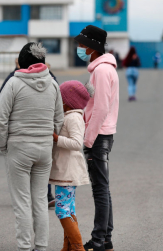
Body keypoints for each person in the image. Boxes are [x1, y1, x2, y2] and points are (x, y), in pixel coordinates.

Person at [0, 42, 64, 251]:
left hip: (19, 148)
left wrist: (3, 145)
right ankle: (41, 247)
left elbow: (0, 119)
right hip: (44, 149)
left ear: (22, 62)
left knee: (22, 202)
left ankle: (24, 247)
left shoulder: (14, 84)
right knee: (41, 200)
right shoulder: (53, 84)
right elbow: (59, 119)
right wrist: (49, 140)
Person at [74, 25, 119, 251]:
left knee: (100, 189)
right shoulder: (103, 69)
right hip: (104, 133)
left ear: (92, 47)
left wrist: (88, 139)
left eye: (82, 45)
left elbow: (100, 108)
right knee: (103, 188)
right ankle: (106, 238)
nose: (80, 48)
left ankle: (99, 239)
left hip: (98, 135)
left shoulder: (101, 71)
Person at [0, 57, 58, 207]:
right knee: (41, 191)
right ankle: (46, 196)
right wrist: (52, 137)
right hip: (44, 140)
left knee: (22, 199)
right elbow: (59, 114)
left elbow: (1, 114)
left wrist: (2, 144)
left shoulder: (13, 80)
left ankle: (29, 201)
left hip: (20, 140)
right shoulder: (51, 79)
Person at [50, 80, 93, 251]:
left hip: (68, 173)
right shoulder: (70, 116)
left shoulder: (74, 117)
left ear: (69, 102)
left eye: (60, 99)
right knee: (68, 210)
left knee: (62, 211)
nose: (58, 102)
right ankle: (67, 247)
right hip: (66, 172)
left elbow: (76, 143)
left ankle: (77, 247)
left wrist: (55, 137)